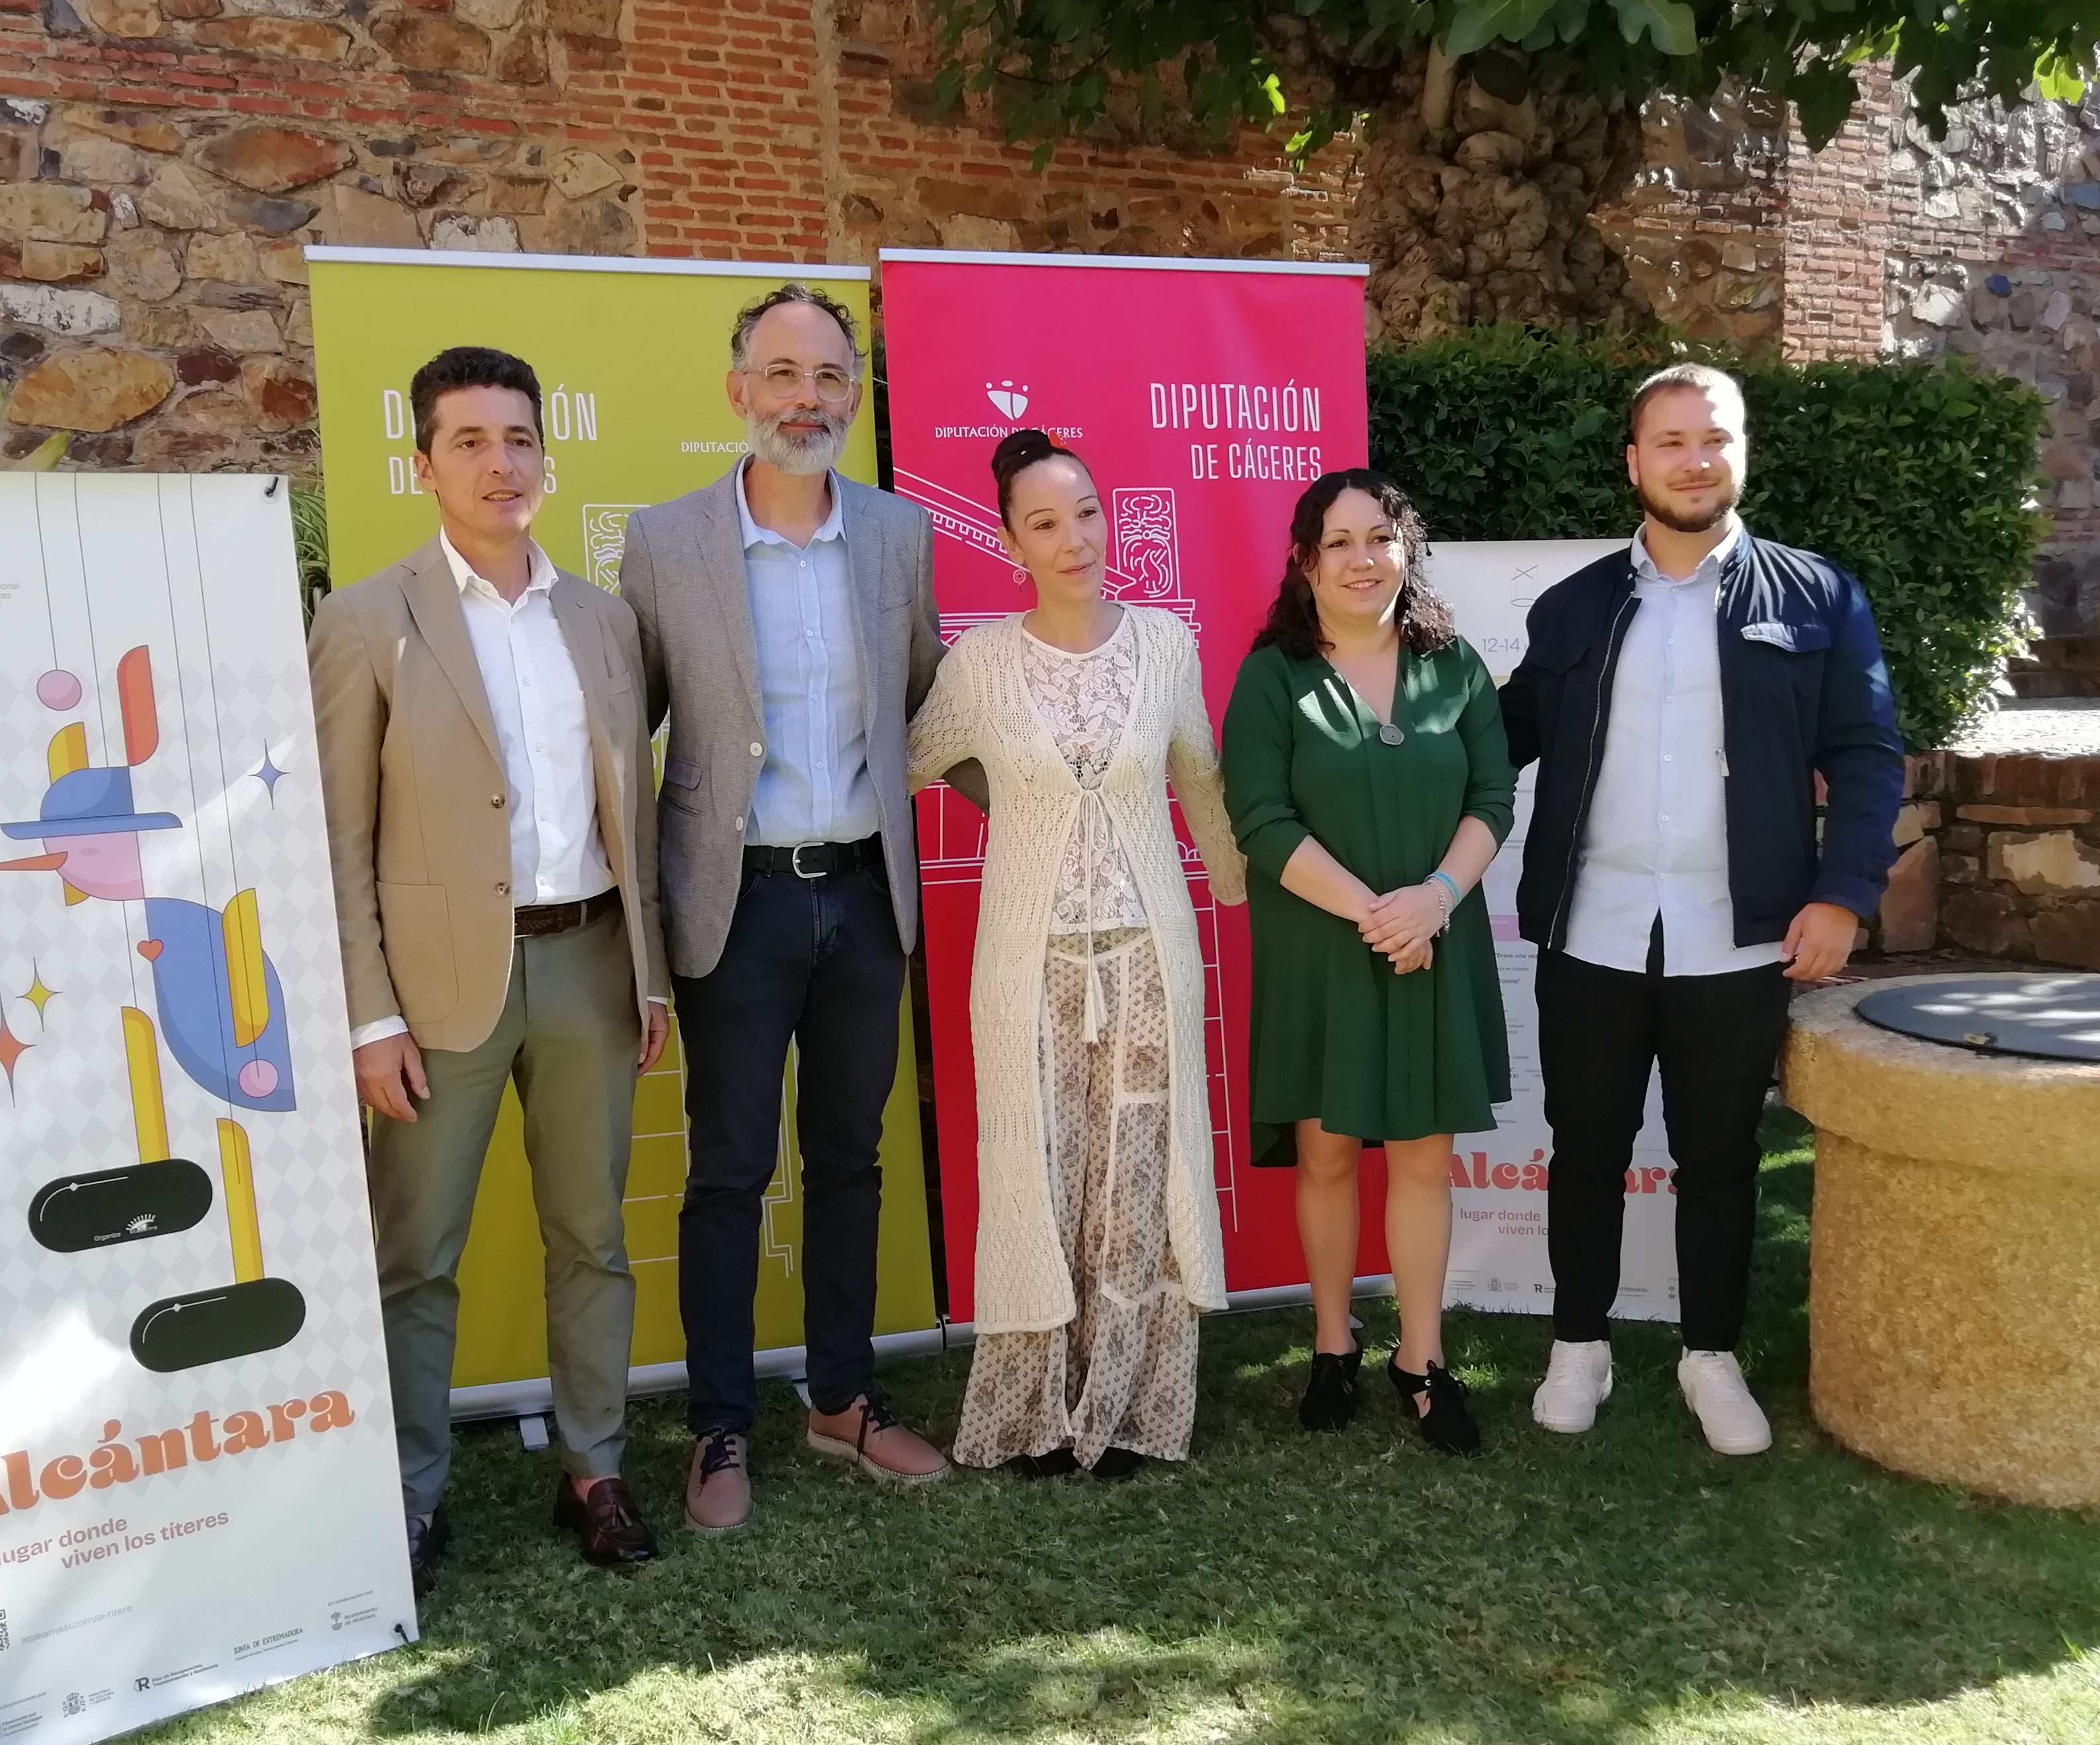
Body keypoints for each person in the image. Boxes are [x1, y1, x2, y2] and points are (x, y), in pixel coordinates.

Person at [310, 344, 672, 1594]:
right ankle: (409, 1499)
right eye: (469, 442)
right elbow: (336, 838)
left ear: (546, 458)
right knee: (415, 1255)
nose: (499, 462)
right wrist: (368, 1015)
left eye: (517, 438)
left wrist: (653, 978)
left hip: (590, 968)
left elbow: (639, 802)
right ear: (423, 466)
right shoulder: (365, 621)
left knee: (592, 1239)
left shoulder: (604, 622)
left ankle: (594, 1470)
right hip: (435, 994)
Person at [1501, 362, 1902, 1455]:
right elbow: (1497, 737)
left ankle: (1709, 1355)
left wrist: (1843, 895)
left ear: (1741, 452)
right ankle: (1577, 1343)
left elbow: (1867, 757)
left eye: (1712, 438)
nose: (1694, 460)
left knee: (1720, 1154)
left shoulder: (1819, 599)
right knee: (1584, 1147)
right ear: (1634, 462)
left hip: (1742, 937)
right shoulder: (1574, 606)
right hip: (1591, 930)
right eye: (1670, 441)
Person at [616, 282, 956, 1534]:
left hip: (866, 898)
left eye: (829, 377)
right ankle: (719, 1426)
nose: (805, 398)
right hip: (735, 906)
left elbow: (927, 705)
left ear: (854, 396)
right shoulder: (665, 544)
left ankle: (843, 1401)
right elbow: (627, 730)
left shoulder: (897, 537)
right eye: (782, 374)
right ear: (738, 390)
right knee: (729, 1172)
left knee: (854, 1162)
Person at [905, 431, 1247, 1480]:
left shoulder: (1166, 647)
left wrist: (1248, 892)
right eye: (1046, 523)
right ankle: (1034, 1416)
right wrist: (1024, 805)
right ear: (1011, 541)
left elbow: (1200, 782)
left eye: (1088, 514)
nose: (1075, 539)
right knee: (1034, 1169)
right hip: (1024, 961)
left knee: (1140, 1173)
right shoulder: (980, 664)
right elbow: (920, 761)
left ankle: (1129, 1403)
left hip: (1150, 952)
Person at [1222, 470, 1516, 1457]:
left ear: (1407, 549)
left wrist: (1433, 901)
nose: (1361, 558)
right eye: (1338, 542)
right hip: (1324, 951)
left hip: (1434, 942)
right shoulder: (1272, 676)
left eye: (1379, 538)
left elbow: (1492, 799)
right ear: (1305, 561)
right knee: (1329, 1153)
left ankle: (1421, 1359)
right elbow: (1260, 820)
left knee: (1427, 1160)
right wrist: (1374, 914)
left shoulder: (1456, 663)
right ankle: (1334, 1342)